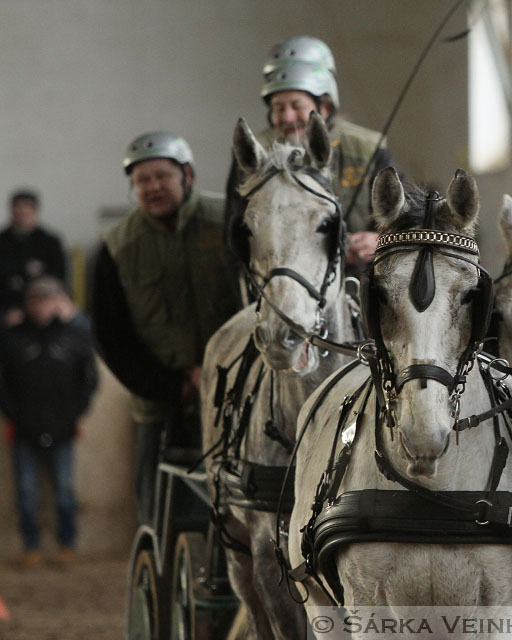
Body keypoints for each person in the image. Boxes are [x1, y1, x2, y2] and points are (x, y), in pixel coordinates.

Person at [91, 132, 242, 524]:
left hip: (236, 393)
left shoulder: (229, 222)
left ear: (186, 175)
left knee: (242, 509)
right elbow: (111, 338)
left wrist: (219, 372)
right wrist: (173, 385)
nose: (153, 187)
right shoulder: (115, 247)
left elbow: (257, 303)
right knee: (159, 514)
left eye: (162, 176)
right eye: (142, 181)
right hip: (160, 402)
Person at [225, 36, 399, 271]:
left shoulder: (368, 149)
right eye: (278, 108)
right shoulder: (254, 154)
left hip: (362, 285)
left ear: (325, 107)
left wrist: (382, 242)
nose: (287, 117)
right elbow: (233, 232)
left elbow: (405, 222)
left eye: (296, 106)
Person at [0, 276, 98, 567]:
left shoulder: (75, 336)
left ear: (58, 302)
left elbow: (89, 378)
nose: (42, 306)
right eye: (36, 300)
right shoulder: (12, 337)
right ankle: (32, 547)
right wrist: (13, 414)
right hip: (23, 429)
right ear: (28, 304)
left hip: (64, 428)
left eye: (48, 300)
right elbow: (2, 381)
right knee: (26, 492)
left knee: (65, 491)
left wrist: (75, 413)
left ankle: (67, 546)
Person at [0, 190, 67, 327]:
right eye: (18, 212)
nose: (22, 217)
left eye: (26, 213)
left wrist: (34, 305)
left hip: (43, 303)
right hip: (7, 303)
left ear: (35, 213)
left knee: (74, 319)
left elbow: (58, 278)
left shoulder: (50, 242)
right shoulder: (2, 241)